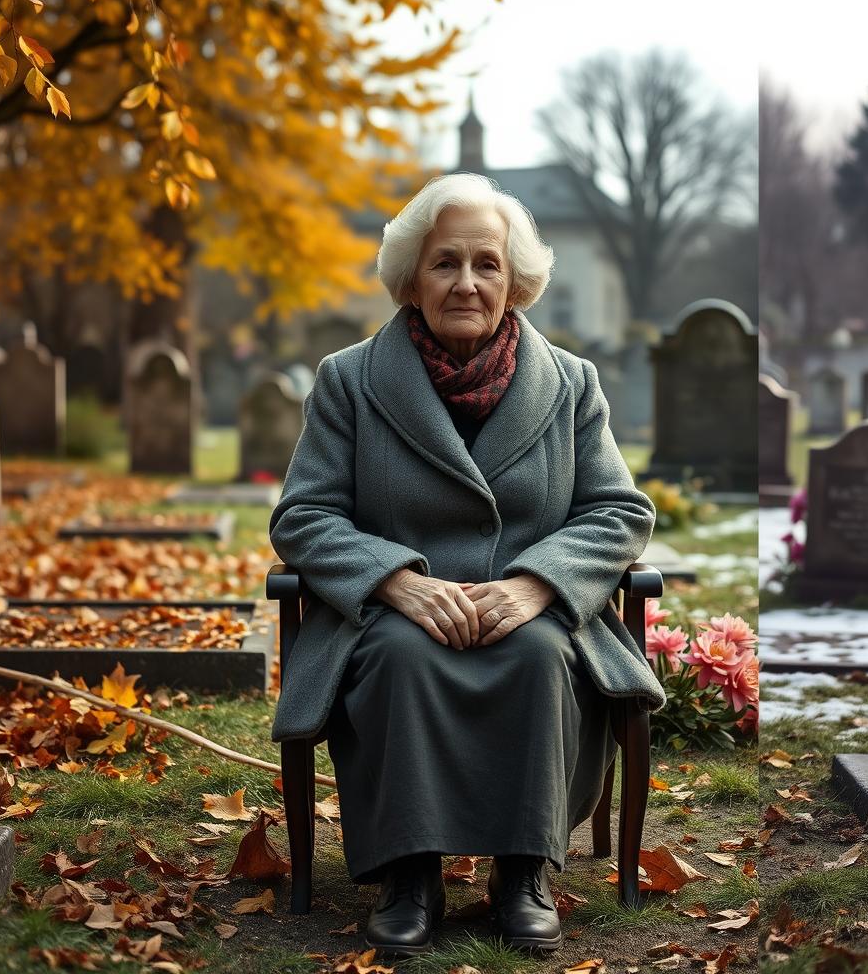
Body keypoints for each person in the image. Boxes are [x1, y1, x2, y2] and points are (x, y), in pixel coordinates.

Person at [268, 172, 665, 957]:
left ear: (515, 280)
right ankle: (408, 873)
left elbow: (622, 511)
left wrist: (537, 583)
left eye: (487, 264)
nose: (467, 282)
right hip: (394, 614)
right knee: (402, 655)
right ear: (411, 278)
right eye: (446, 263)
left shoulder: (573, 385)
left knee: (541, 651)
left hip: (530, 611)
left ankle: (523, 873)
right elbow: (303, 516)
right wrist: (395, 581)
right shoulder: (348, 381)